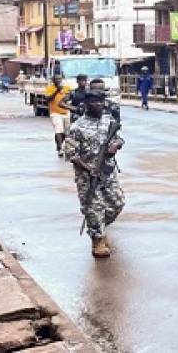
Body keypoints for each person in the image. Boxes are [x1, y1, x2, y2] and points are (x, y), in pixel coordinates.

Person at [62, 89, 124, 259]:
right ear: (86, 103)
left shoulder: (109, 121)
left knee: (117, 203)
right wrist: (89, 169)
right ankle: (98, 239)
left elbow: (120, 139)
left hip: (108, 172)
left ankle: (99, 227)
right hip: (87, 175)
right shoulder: (77, 127)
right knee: (93, 207)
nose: (98, 104)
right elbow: (71, 154)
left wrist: (115, 146)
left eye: (101, 101)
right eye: (94, 101)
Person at [45, 74, 72, 157]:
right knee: (58, 130)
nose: (58, 80)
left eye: (59, 79)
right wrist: (57, 91)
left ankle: (59, 145)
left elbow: (70, 97)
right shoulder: (50, 88)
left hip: (66, 112)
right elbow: (48, 99)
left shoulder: (67, 88)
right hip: (55, 113)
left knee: (66, 132)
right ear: (53, 80)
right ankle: (60, 149)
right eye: (56, 79)